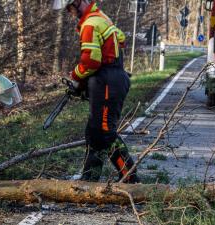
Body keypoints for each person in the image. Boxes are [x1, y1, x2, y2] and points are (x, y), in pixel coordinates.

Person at [52, 0, 140, 183]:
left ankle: (130, 177)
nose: (70, 12)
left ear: (78, 2)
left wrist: (76, 78)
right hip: (107, 78)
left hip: (108, 80)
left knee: (105, 132)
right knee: (94, 132)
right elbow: (121, 37)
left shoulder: (90, 23)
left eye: (70, 8)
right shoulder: (100, 17)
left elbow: (91, 61)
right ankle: (89, 180)